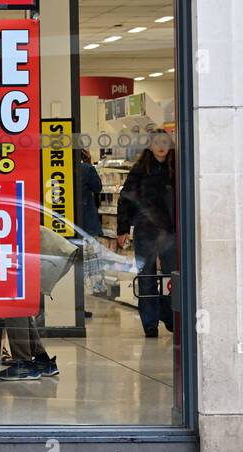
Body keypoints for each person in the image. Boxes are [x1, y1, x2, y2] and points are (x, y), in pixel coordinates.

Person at [116, 129, 177, 338]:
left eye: (165, 142)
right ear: (150, 146)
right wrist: (122, 229)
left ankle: (171, 318)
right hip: (146, 231)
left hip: (171, 231)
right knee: (147, 277)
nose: (161, 146)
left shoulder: (177, 168)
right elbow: (125, 199)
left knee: (172, 277)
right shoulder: (140, 170)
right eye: (157, 142)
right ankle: (150, 323)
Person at [74, 148, 105, 313]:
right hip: (86, 225)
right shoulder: (86, 169)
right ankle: (81, 306)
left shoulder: (62, 169)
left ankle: (74, 304)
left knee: (74, 266)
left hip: (68, 225)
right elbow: (98, 187)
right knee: (87, 266)